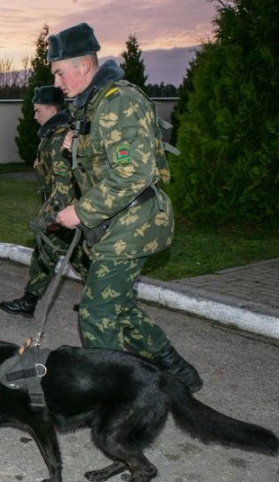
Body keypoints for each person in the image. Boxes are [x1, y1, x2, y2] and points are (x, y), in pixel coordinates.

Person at [48, 23, 203, 392]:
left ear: (84, 65)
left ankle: (116, 396)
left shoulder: (119, 100)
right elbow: (109, 159)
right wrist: (78, 145)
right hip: (120, 224)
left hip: (136, 222)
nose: (57, 82)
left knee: (97, 312)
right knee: (121, 306)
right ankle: (179, 371)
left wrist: (80, 212)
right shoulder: (96, 102)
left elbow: (134, 175)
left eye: (59, 71)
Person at [0, 85, 89, 317]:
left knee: (44, 252)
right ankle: (96, 301)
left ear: (51, 109)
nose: (34, 115)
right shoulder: (54, 135)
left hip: (66, 207)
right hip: (75, 209)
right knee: (80, 256)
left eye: (38, 110)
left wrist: (48, 217)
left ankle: (29, 302)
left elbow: (63, 185)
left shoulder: (59, 139)